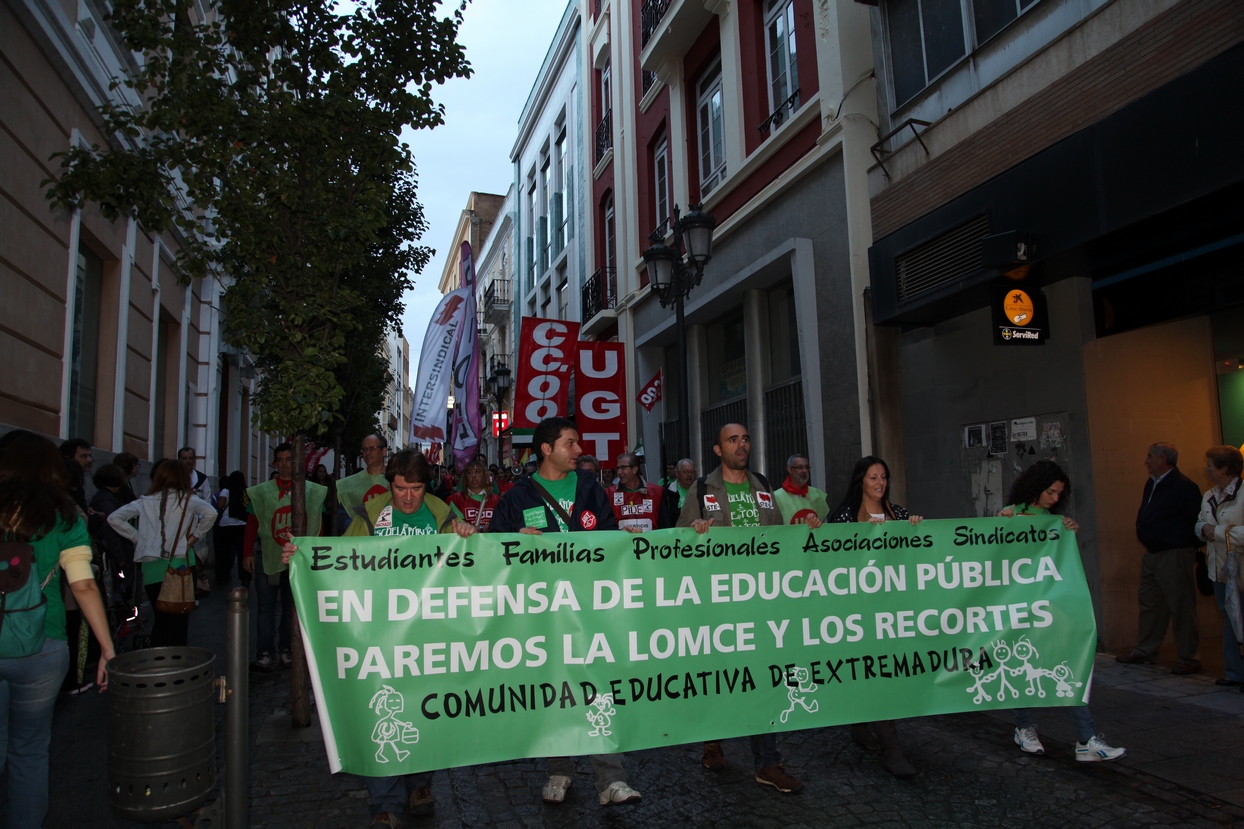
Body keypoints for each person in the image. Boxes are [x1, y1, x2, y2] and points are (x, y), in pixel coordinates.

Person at [282, 449, 476, 826]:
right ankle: (384, 802)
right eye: (400, 488)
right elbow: (339, 559)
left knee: (426, 710)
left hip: (430, 635)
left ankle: (421, 784)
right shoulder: (370, 516)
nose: (407, 497)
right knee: (380, 712)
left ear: (427, 486)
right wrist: (302, 557)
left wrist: (469, 535)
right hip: (380, 637)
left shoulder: (444, 516)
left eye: (416, 489)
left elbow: (473, 569)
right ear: (390, 485)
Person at [489, 417, 643, 808]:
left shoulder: (591, 489)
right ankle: (560, 768)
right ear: (546, 449)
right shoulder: (517, 497)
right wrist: (511, 541)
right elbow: (492, 552)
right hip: (542, 612)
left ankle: (611, 779)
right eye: (570, 444)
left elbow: (607, 534)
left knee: (596, 686)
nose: (578, 451)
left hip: (589, 608)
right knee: (555, 687)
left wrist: (623, 540)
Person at [678, 422, 804, 794]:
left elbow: (779, 537)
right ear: (717, 449)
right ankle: (713, 740)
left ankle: (767, 761)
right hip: (718, 604)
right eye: (733, 440)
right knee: (720, 676)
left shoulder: (763, 486)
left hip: (760, 603)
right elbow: (680, 542)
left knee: (763, 677)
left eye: (745, 439)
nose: (741, 445)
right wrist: (694, 530)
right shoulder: (702, 489)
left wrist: (805, 528)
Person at [0, 432, 115, 828]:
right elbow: (82, 585)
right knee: (30, 751)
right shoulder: (64, 516)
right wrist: (106, 648)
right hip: (43, 645)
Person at [999, 460, 1126, 762]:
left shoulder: (1055, 521)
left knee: (1069, 665)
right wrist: (1002, 524)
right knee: (1023, 663)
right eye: (1051, 492)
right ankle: (1025, 727)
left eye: (1059, 494)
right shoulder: (1010, 515)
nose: (1055, 499)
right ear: (1036, 488)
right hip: (1020, 605)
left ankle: (1085, 738)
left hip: (1050, 605)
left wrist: (1067, 531)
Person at [827, 456, 920, 777]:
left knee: (882, 672)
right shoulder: (844, 518)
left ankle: (859, 725)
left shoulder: (901, 514)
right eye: (872, 478)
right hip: (859, 613)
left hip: (893, 611)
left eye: (883, 476)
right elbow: (831, 564)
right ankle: (892, 747)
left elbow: (919, 555)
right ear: (860, 482)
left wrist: (918, 532)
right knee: (878, 673)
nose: (879, 483)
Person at [108, 459, 217, 647]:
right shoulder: (189, 500)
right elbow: (211, 514)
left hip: (152, 565)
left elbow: (114, 518)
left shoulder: (146, 501)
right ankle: (176, 662)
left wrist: (138, 538)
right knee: (179, 619)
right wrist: (194, 537)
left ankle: (159, 660)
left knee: (161, 616)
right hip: (181, 562)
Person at [1117, 443, 1202, 674]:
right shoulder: (1152, 483)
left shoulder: (1183, 486)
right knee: (1150, 604)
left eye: (1150, 456)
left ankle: (1189, 657)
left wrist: (1189, 547)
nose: (1146, 460)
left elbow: (1196, 520)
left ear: (1163, 458)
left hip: (1174, 553)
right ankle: (1145, 650)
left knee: (1181, 606)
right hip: (1152, 553)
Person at [242, 443, 327, 671]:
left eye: (289, 459)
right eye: (280, 460)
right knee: (265, 606)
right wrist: (247, 552)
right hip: (268, 556)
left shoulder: (312, 491)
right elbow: (252, 523)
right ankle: (264, 652)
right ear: (275, 463)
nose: (285, 464)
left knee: (292, 606)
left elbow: (319, 523)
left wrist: (317, 553)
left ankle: (287, 649)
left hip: (299, 559)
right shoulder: (262, 492)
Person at [1194, 445, 1244, 688]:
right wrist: (1203, 530)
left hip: (1241, 571)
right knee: (1228, 618)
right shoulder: (1209, 495)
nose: (1207, 470)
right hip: (1219, 570)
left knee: (1240, 618)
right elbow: (1200, 524)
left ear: (1225, 468)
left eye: (1210, 466)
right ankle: (1234, 673)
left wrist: (1219, 532)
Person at [336, 434, 389, 534]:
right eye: (364, 449)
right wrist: (356, 527)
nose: (367, 452)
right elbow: (342, 517)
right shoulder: (348, 484)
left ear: (384, 451)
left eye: (372, 448)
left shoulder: (397, 481)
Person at [605, 452, 663, 532]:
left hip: (651, 543)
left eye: (623, 467)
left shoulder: (656, 492)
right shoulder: (609, 493)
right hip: (621, 543)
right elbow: (606, 524)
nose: (619, 472)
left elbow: (664, 524)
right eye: (618, 468)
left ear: (635, 469)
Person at [214, 470, 249, 587]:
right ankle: (245, 578)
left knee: (223, 552)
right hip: (242, 525)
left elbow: (220, 505)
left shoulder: (226, 491)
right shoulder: (246, 492)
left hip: (226, 525)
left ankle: (222, 575)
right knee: (242, 553)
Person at [773, 453, 828, 527]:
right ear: (790, 469)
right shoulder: (776, 497)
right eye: (800, 467)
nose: (804, 471)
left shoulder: (817, 494)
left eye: (807, 467)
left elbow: (822, 522)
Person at [446, 459, 501, 531]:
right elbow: (457, 525)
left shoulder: (496, 500)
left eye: (477, 472)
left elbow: (501, 523)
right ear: (465, 477)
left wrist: (481, 528)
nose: (473, 475)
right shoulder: (455, 499)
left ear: (484, 475)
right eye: (469, 472)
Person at [657, 458, 697, 529]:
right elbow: (663, 517)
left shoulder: (701, 489)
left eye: (692, 472)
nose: (689, 475)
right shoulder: (667, 491)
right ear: (677, 473)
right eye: (685, 472)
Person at [59, 437, 92, 513]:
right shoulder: (62, 484)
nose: (89, 460)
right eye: (84, 456)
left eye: (90, 456)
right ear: (68, 458)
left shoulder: (76, 483)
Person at [311, 463, 338, 536]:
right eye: (320, 471)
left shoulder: (330, 484)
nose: (322, 474)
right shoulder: (312, 485)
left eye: (324, 471)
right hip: (316, 513)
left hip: (328, 512)